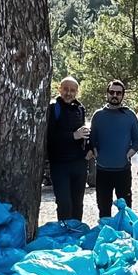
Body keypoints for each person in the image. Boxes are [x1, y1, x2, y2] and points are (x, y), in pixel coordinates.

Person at [90, 79, 138, 217]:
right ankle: (106, 237)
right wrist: (95, 152)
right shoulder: (98, 115)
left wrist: (128, 154)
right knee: (104, 210)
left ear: (122, 95)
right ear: (107, 94)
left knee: (125, 211)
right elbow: (92, 139)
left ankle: (126, 236)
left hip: (123, 171)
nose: (115, 95)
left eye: (118, 93)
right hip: (102, 171)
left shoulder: (129, 115)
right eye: (112, 92)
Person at [47, 76, 89, 222]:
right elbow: (49, 137)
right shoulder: (53, 108)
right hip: (59, 165)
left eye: (72, 90)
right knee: (64, 204)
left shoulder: (80, 108)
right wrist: (73, 136)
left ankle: (76, 235)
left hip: (79, 163)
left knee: (78, 204)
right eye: (65, 89)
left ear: (77, 92)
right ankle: (64, 235)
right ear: (59, 89)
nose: (68, 93)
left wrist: (89, 148)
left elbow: (82, 135)